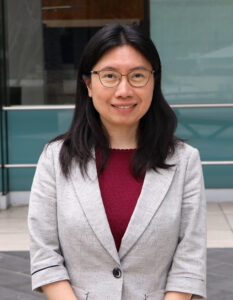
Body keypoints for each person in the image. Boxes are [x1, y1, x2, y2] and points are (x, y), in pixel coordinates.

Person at [28, 24, 206, 300]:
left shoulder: (184, 161)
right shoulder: (55, 158)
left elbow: (190, 261)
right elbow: (45, 256)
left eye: (137, 76)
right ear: (88, 84)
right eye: (109, 76)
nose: (124, 90)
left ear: (154, 82)